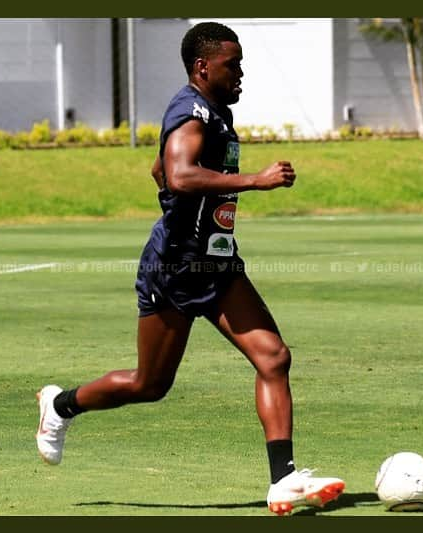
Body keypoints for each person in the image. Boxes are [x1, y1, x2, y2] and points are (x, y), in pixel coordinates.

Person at [36, 21, 344, 516]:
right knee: (149, 384)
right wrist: (256, 180)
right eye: (232, 64)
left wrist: (174, 178)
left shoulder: (213, 113)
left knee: (273, 358)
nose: (241, 73)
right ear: (203, 67)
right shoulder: (192, 107)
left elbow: (162, 169)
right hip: (177, 267)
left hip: (216, 263)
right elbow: (177, 174)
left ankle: (283, 480)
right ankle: (60, 405)